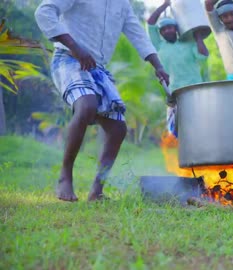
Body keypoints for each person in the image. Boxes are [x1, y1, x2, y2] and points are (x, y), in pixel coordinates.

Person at [35, 0, 170, 201]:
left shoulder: (123, 5)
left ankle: (96, 191)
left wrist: (158, 65)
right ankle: (65, 176)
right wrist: (75, 47)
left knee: (118, 128)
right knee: (87, 105)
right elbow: (44, 12)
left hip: (97, 69)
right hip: (68, 58)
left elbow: (138, 34)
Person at [147, 0, 209, 137]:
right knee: (177, 130)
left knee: (199, 126)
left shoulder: (188, 43)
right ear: (161, 33)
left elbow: (204, 56)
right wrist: (165, 5)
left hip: (195, 90)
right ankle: (183, 156)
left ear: (176, 29)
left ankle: (200, 154)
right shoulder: (159, 46)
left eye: (171, 27)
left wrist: (198, 36)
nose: (168, 30)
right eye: (164, 29)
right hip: (174, 94)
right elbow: (150, 23)